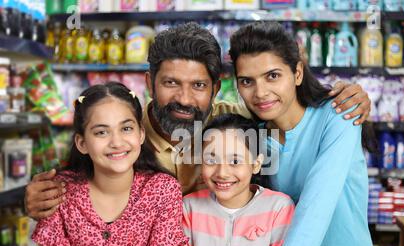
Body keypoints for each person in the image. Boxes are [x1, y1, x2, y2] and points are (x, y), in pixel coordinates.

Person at [25, 23, 371, 223]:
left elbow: (285, 107)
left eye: (199, 86)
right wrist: (38, 198)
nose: (186, 100)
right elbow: (67, 188)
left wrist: (348, 96)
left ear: (217, 88)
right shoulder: (120, 137)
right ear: (149, 83)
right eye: (171, 83)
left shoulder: (235, 123)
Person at [229, 21, 374, 246]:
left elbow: (314, 209)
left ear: (296, 73)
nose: (260, 93)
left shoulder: (338, 117)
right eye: (247, 81)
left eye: (272, 76)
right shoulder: (254, 138)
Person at [31, 82, 188, 246]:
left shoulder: (162, 190)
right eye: (101, 132)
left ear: (141, 135)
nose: (116, 142)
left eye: (126, 128)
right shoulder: (59, 191)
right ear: (82, 143)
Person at [168, 114, 295, 246]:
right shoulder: (189, 208)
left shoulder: (278, 209)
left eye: (235, 161)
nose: (222, 173)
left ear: (256, 164)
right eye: (211, 160)